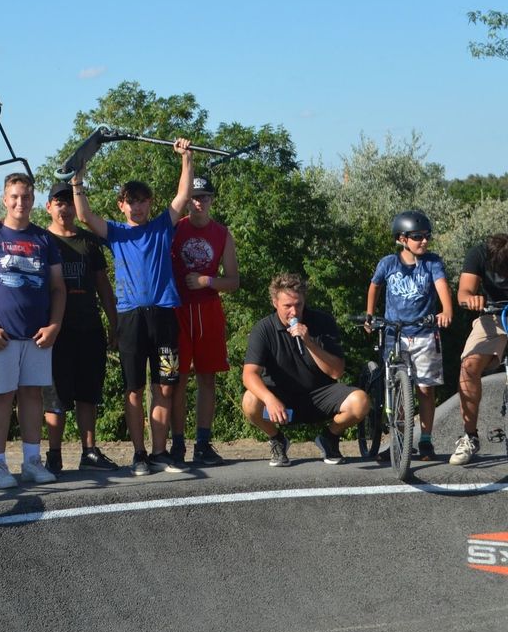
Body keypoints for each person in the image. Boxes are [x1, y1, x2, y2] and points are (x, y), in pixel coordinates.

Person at [70, 139, 194, 476]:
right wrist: (77, 180)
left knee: (165, 386)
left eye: (142, 202)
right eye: (131, 203)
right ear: (121, 206)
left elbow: (182, 197)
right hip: (130, 318)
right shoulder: (116, 232)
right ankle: (139, 454)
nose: (137, 208)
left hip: (165, 313)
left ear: (150, 204)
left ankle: (159, 452)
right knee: (134, 389)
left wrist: (186, 158)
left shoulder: (161, 227)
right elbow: (84, 215)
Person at [0, 172, 65, 489]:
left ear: (33, 199)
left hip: (37, 336)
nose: (20, 202)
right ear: (4, 200)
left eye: (25, 197)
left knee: (32, 395)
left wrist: (54, 326)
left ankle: (32, 461)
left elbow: (58, 289)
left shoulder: (44, 239)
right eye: (14, 197)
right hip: (1, 337)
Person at [241, 273, 369, 466]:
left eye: (298, 305)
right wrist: (269, 398)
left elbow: (336, 372)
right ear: (275, 303)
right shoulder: (263, 329)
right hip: (283, 400)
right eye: (287, 306)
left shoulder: (322, 321)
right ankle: (277, 439)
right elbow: (249, 374)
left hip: (320, 395)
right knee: (250, 400)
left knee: (361, 401)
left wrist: (309, 342)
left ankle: (329, 438)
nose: (294, 312)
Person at [41, 181, 118, 474]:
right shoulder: (41, 240)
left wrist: (114, 322)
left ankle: (89, 451)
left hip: (89, 326)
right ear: (48, 207)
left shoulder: (88, 241)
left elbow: (103, 285)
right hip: (55, 331)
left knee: (88, 392)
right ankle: (54, 454)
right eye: (59, 202)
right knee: (55, 396)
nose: (65, 207)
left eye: (69, 202)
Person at [364, 211, 452, 461]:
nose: (424, 241)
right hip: (395, 333)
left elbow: (442, 286)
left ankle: (425, 440)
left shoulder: (432, 263)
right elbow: (375, 286)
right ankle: (399, 441)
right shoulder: (388, 263)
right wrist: (370, 315)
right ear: (402, 239)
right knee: (398, 390)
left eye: (427, 236)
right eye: (417, 237)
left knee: (425, 389)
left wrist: (446, 310)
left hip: (424, 333)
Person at [170, 176, 239, 467]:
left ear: (212, 200)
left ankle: (202, 442)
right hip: (178, 310)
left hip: (209, 309)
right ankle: (176, 444)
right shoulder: (175, 228)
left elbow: (233, 281)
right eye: (194, 197)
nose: (199, 202)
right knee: (177, 379)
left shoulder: (222, 233)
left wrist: (206, 280)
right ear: (187, 200)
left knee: (207, 377)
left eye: (205, 197)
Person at [454, 233, 508, 465]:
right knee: (469, 366)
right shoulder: (479, 253)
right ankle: (470, 436)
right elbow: (463, 292)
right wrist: (472, 300)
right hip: (493, 316)